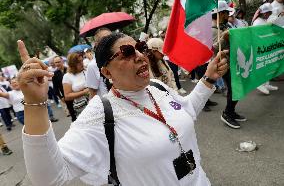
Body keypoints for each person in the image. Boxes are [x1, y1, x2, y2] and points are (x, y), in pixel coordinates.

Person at [18, 32, 228, 186]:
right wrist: (35, 105)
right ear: (107, 72)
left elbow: (188, 111)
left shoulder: (157, 87)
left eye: (139, 47)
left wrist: (208, 78)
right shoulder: (99, 113)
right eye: (126, 52)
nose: (139, 55)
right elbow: (50, 177)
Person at [212, 0, 247, 129]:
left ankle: (231, 112)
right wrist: (224, 38)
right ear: (221, 13)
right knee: (234, 89)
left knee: (236, 88)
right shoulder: (213, 29)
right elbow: (214, 49)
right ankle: (227, 113)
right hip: (224, 64)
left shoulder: (224, 25)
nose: (229, 15)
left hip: (232, 62)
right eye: (227, 12)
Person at [253, 3, 279, 95]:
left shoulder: (263, 21)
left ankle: (266, 83)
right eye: (269, 12)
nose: (270, 14)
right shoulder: (258, 22)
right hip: (260, 49)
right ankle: (259, 84)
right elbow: (256, 37)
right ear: (264, 13)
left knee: (267, 66)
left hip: (266, 48)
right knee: (262, 66)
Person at [86, 28, 112, 98]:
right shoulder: (92, 66)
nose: (109, 41)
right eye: (104, 39)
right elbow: (92, 94)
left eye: (111, 37)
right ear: (97, 44)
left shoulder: (118, 58)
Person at [52, 56, 77, 121]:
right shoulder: (55, 74)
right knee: (73, 115)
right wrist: (61, 97)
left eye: (59, 62)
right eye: (56, 62)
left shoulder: (69, 69)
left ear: (62, 61)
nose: (57, 63)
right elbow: (55, 88)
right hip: (67, 96)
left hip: (76, 93)